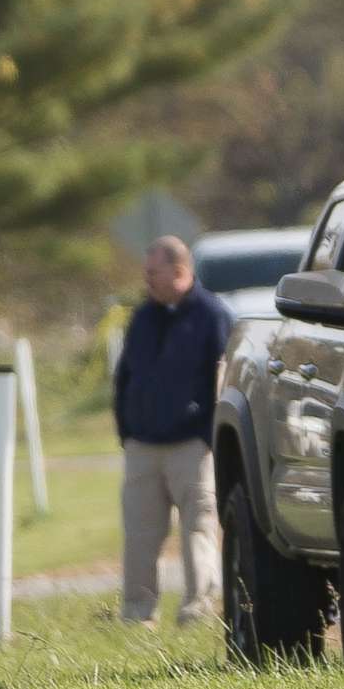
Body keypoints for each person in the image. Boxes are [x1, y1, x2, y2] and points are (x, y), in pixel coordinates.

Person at [113, 236, 232, 626]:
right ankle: (137, 613)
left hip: (191, 446)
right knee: (140, 535)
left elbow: (222, 378)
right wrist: (127, 431)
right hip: (143, 446)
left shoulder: (211, 314)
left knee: (198, 529)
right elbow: (125, 376)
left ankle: (199, 607)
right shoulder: (143, 316)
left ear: (179, 271)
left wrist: (207, 434)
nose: (146, 280)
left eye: (153, 272)